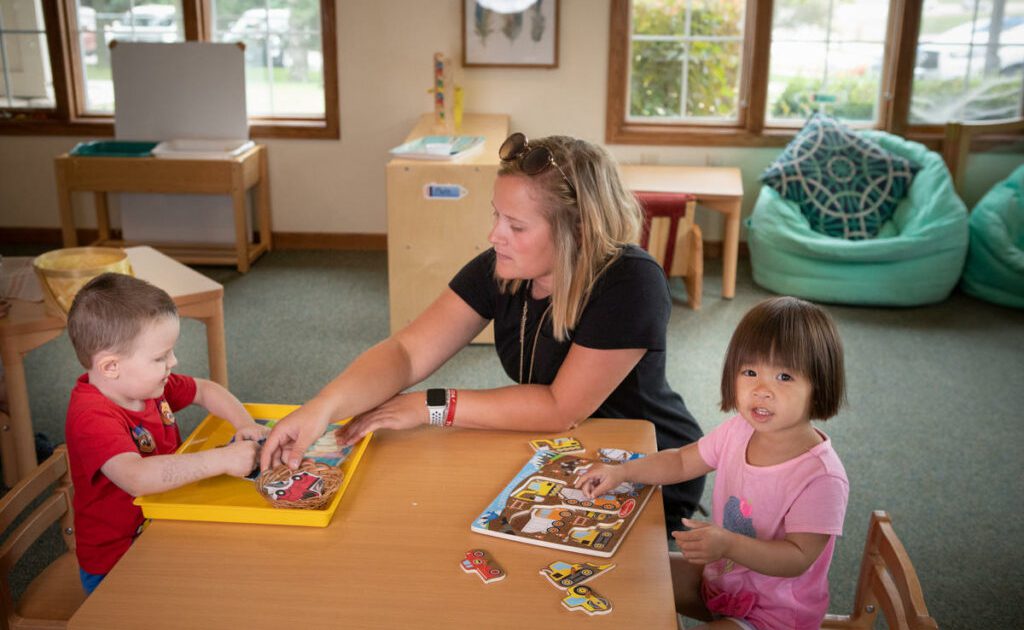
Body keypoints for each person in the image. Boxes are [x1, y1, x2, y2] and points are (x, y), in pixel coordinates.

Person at [261, 132, 706, 526]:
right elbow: (408, 352)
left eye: (515, 225)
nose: (495, 235)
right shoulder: (504, 268)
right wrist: (322, 408)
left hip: (649, 461)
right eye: (496, 215)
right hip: (566, 450)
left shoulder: (631, 281)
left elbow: (559, 407)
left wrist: (431, 406)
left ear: (580, 232)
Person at [576, 296, 849, 629]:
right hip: (721, 581)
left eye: (784, 377)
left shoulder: (822, 477)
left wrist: (728, 544)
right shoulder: (739, 429)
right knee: (621, 572)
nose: (761, 390)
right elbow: (679, 462)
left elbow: (798, 559)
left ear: (819, 385)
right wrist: (623, 471)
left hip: (774, 615)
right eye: (750, 372)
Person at [65, 273, 266, 594]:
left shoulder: (146, 386)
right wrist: (221, 460)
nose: (174, 361)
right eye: (160, 357)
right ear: (110, 367)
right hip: (118, 564)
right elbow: (137, 477)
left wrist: (244, 424)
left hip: (166, 520)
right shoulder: (92, 416)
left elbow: (205, 389)